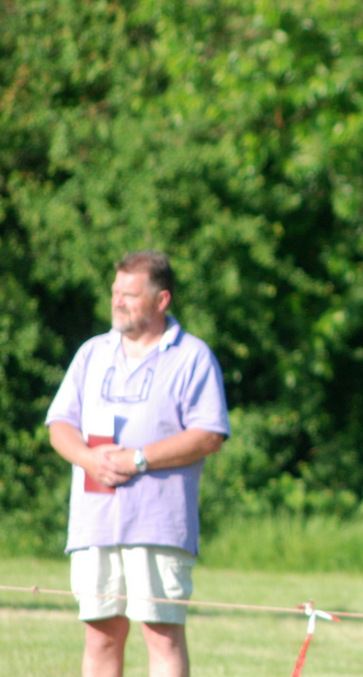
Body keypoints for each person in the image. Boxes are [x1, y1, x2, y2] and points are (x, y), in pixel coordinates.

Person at [46, 250, 229, 677]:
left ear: (161, 300)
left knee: (161, 635)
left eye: (130, 294)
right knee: (100, 635)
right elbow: (60, 425)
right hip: (94, 523)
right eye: (115, 292)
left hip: (159, 523)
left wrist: (139, 459)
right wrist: (88, 458)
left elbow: (209, 434)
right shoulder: (92, 353)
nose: (118, 302)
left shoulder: (192, 356)